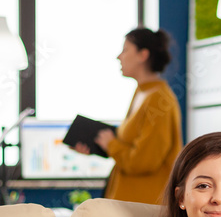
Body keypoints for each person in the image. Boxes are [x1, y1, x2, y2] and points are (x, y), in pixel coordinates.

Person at [74, 27, 182, 204]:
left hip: (145, 206)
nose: (119, 57)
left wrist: (111, 145)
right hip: (128, 202)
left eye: (125, 50)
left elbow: (144, 161)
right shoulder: (142, 92)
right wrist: (96, 144)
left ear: (142, 55)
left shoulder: (158, 100)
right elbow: (130, 144)